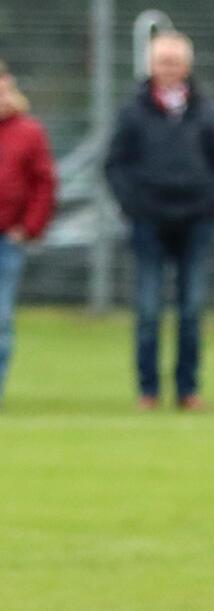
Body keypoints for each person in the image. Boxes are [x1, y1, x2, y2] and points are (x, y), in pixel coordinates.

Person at [104, 31, 214, 411]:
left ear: (187, 66)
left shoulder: (206, 111)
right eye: (162, 61)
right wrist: (133, 204)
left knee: (191, 309)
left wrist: (212, 204)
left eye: (175, 62)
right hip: (148, 222)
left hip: (195, 222)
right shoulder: (132, 111)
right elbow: (115, 164)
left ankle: (187, 388)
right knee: (147, 309)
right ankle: (148, 390)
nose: (169, 69)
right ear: (151, 66)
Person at [0, 60, 56, 406]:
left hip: (8, 239)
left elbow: (44, 183)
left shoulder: (28, 131)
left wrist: (30, 227)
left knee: (1, 318)